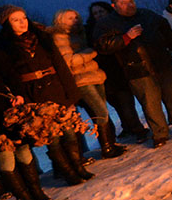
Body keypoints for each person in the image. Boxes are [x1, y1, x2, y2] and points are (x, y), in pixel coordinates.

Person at [0, 6, 94, 186]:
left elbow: (61, 65)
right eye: (16, 20)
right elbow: (9, 76)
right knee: (51, 138)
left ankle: (79, 167)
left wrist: (71, 93)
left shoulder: (42, 37)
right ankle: (68, 173)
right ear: (7, 24)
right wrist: (22, 98)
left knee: (69, 132)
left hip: (56, 88)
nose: (22, 22)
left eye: (24, 18)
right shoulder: (2, 47)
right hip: (33, 95)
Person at [94, 0, 172, 148]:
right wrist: (126, 37)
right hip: (136, 68)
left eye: (131, 1)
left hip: (162, 63)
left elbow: (167, 33)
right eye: (123, 3)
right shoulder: (107, 23)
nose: (129, 5)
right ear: (114, 6)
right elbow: (103, 45)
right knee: (150, 102)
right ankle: (159, 133)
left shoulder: (147, 15)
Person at [0, 20, 52, 200]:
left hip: (7, 109)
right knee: (5, 154)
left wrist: (19, 94)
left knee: (23, 149)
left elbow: (10, 74)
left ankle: (37, 192)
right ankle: (24, 198)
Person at [51, 9, 127, 159]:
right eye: (70, 18)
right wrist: (91, 52)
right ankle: (107, 147)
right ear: (60, 20)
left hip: (95, 76)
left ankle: (110, 143)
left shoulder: (81, 33)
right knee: (100, 112)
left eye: (76, 17)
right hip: (81, 80)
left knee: (101, 112)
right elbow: (69, 61)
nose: (75, 20)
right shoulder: (59, 37)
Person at [86, 2, 148, 143]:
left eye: (101, 11)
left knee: (126, 102)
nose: (98, 15)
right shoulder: (91, 30)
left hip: (119, 69)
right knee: (115, 103)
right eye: (95, 13)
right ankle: (127, 127)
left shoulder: (115, 25)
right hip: (102, 72)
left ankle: (138, 129)